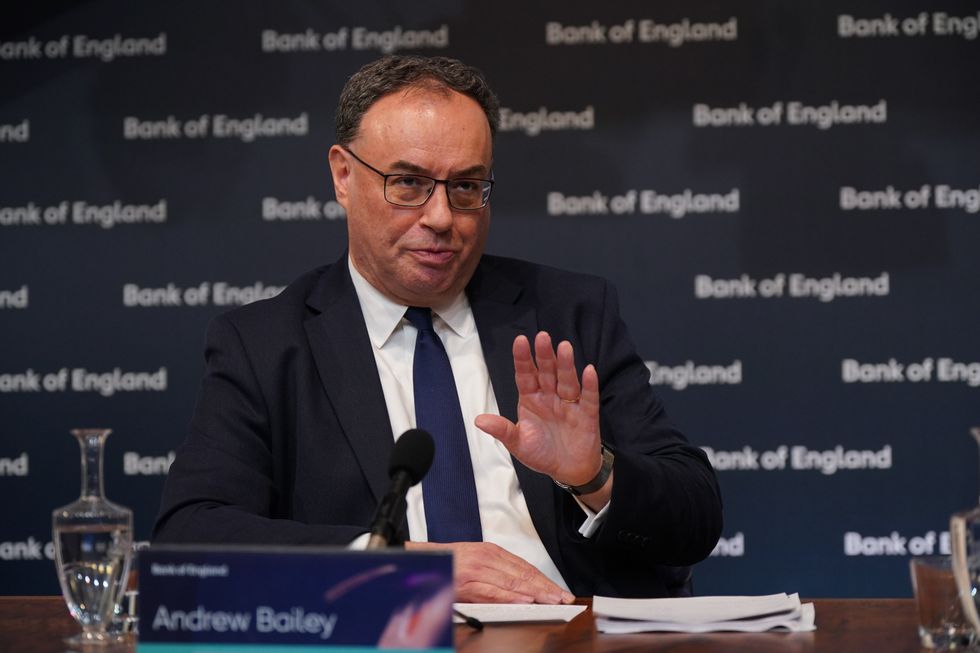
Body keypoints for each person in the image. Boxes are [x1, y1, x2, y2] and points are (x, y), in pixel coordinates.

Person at [153, 54, 722, 603]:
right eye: (408, 183)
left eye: (466, 186)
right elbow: (192, 534)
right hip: (385, 632)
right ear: (343, 176)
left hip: (565, 630)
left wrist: (593, 474)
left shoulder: (567, 313)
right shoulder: (264, 345)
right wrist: (401, 567)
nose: (442, 217)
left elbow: (697, 516)